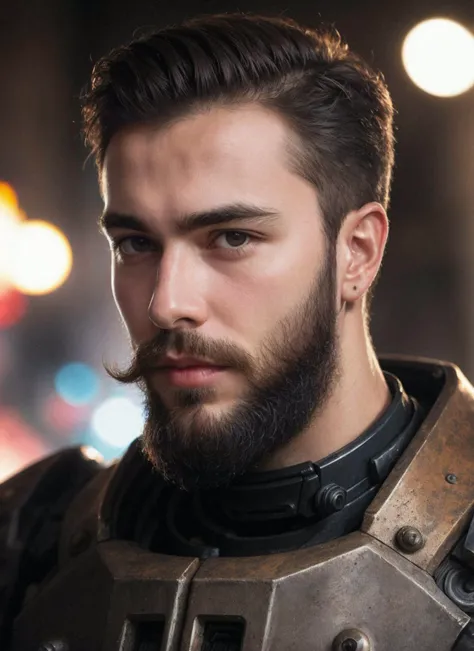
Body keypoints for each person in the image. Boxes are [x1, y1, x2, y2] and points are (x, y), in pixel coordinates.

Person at [1, 12, 474, 651]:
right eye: (136, 243)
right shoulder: (31, 536)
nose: (167, 303)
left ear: (357, 252)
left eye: (231, 238)